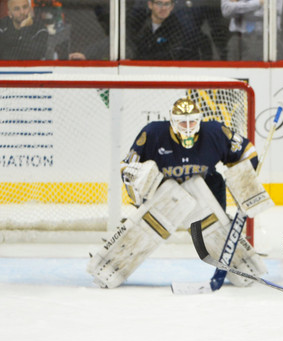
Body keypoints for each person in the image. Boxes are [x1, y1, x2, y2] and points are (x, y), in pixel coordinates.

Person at [87, 97, 271, 289]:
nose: (188, 127)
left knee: (216, 228)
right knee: (148, 226)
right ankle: (110, 266)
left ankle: (243, 268)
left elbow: (247, 152)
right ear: (172, 122)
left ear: (200, 120)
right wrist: (139, 187)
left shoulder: (214, 132)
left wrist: (245, 180)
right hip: (166, 194)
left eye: (192, 122)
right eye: (183, 122)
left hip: (206, 190)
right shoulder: (153, 133)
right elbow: (127, 166)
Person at [127, 0, 202, 60]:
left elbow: (172, 55)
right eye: (159, 3)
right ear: (150, 5)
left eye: (167, 4)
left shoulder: (176, 27)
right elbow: (131, 48)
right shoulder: (138, 23)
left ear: (172, 7)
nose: (163, 8)